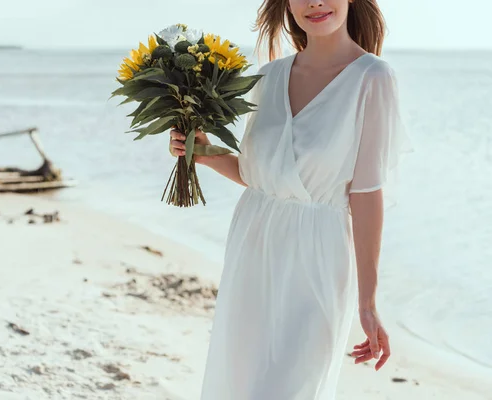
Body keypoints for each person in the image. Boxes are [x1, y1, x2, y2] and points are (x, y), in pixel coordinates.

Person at [169, 0, 414, 398]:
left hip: (319, 257)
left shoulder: (373, 78)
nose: (315, 3)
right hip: (254, 248)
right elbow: (260, 177)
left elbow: (367, 195)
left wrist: (367, 302)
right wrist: (203, 151)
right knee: (241, 386)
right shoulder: (268, 76)